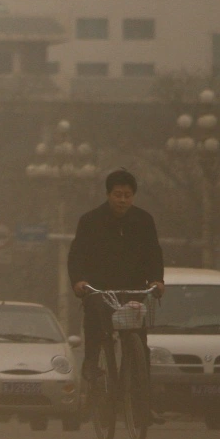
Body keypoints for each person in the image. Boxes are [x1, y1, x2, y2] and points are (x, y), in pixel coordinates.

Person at [68, 169, 165, 417]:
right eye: (118, 195)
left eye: (128, 195)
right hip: (100, 289)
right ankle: (91, 365)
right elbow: (76, 254)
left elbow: (154, 253)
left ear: (133, 197)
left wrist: (156, 280)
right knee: (96, 324)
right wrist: (79, 281)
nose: (123, 200)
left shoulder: (144, 221)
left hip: (133, 289)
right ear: (108, 194)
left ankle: (141, 401)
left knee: (139, 343)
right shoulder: (90, 220)